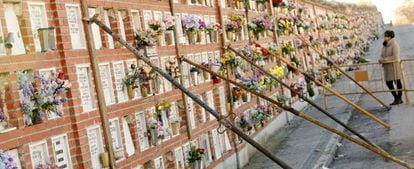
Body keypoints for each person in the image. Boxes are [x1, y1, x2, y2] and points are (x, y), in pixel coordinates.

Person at [379, 30, 402, 105]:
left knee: (397, 82)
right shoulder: (385, 45)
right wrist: (381, 59)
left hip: (394, 66)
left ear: (390, 37)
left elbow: (396, 57)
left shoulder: (395, 45)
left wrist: (385, 59)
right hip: (387, 68)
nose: (384, 37)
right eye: (384, 36)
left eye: (386, 36)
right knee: (388, 83)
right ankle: (397, 98)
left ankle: (399, 98)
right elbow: (382, 54)